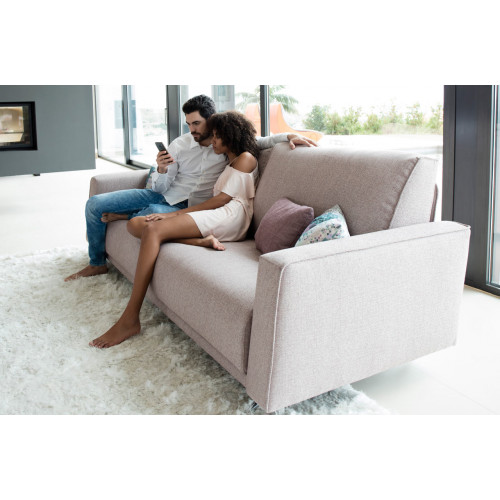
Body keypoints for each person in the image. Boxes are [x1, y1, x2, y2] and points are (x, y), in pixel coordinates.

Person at [65, 95, 317, 282]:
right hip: (163, 194)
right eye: (189, 124)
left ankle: (125, 217)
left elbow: (260, 141)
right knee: (95, 204)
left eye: (196, 123)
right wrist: (161, 169)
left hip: (189, 206)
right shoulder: (181, 144)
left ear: (211, 121)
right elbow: (161, 187)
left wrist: (288, 136)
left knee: (147, 217)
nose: (192, 129)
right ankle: (97, 262)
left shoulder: (226, 144)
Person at [89, 111, 260, 348]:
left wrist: (175, 214)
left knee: (152, 230)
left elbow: (221, 200)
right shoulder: (228, 158)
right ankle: (200, 241)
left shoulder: (246, 158)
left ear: (231, 136)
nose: (213, 140)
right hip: (219, 213)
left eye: (217, 136)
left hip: (231, 216)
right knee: (135, 224)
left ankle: (130, 317)